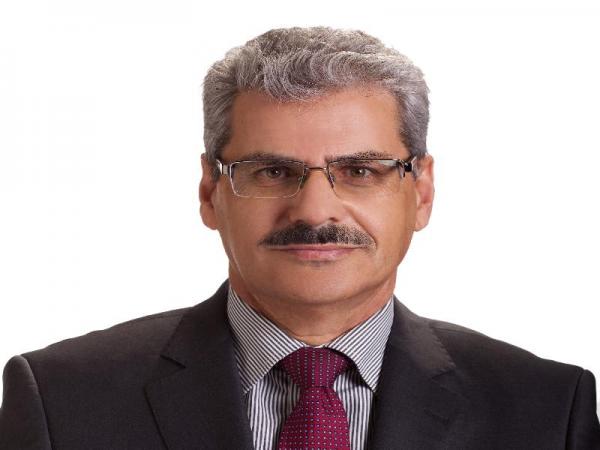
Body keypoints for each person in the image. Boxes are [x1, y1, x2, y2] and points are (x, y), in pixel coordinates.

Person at [0, 26, 599, 450]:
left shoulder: (549, 409)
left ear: (420, 193)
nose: (314, 209)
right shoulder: (60, 400)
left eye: (360, 170)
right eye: (271, 172)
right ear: (210, 192)